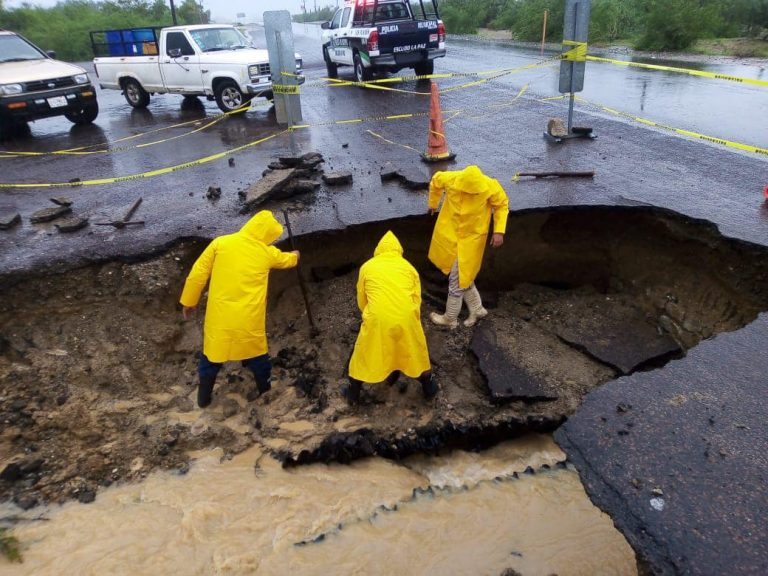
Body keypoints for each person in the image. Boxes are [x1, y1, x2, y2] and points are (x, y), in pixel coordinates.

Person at [180, 210, 299, 408]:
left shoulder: (221, 243)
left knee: (211, 358)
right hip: (249, 320)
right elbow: (287, 260)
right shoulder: (267, 253)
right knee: (258, 357)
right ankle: (265, 391)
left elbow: (198, 274)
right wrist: (296, 256)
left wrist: (189, 301)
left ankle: (203, 398)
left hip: (220, 319)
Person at [345, 231, 437, 405]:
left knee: (364, 354)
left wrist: (371, 314)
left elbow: (361, 297)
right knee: (415, 352)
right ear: (398, 250)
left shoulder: (367, 266)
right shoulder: (409, 267)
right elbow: (417, 299)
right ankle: (429, 388)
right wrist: (407, 316)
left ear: (378, 250)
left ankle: (353, 393)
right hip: (406, 318)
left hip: (377, 319)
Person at [427, 165, 509, 328]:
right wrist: (433, 203)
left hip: (472, 239)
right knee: (464, 274)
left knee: (457, 279)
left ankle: (450, 318)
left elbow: (501, 205)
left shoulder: (490, 185)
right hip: (451, 234)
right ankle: (477, 309)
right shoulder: (451, 179)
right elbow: (435, 181)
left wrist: (499, 231)